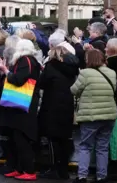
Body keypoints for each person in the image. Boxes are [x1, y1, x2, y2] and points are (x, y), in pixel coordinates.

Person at [0, 39, 41, 181]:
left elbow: (18, 80)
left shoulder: (26, 60)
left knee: (21, 139)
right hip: (20, 105)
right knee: (16, 138)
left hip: (23, 105)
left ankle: (29, 170)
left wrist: (5, 70)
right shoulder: (28, 61)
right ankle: (19, 168)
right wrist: (3, 70)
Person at [71, 49, 117, 183]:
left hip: (90, 116)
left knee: (85, 146)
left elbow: (74, 90)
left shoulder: (85, 73)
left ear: (89, 59)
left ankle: (82, 177)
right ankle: (101, 177)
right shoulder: (112, 73)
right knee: (102, 147)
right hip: (109, 115)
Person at [38, 46, 79, 180]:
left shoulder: (51, 66)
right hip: (67, 104)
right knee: (65, 138)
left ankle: (54, 168)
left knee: (52, 138)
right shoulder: (73, 68)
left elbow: (42, 84)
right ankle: (64, 169)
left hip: (52, 104)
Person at [105, 38, 117, 180]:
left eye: (107, 48)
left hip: (115, 107)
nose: (105, 50)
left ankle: (115, 170)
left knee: (115, 139)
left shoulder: (109, 65)